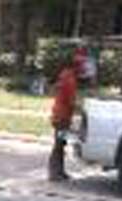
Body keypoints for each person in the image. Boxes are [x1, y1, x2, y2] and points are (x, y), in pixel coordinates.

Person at [48, 48, 88, 182]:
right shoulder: (69, 79)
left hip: (60, 115)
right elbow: (71, 102)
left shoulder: (66, 75)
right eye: (81, 65)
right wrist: (83, 110)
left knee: (61, 144)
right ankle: (54, 173)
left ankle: (59, 172)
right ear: (76, 65)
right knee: (59, 145)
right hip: (61, 117)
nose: (83, 69)